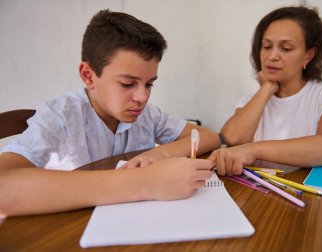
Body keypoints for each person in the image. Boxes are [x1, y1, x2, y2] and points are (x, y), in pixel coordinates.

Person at [0, 10, 220, 216]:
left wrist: (157, 154)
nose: (142, 97)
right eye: (127, 83)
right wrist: (143, 181)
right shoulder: (60, 115)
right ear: (88, 75)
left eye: (149, 84)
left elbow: (208, 136)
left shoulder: (147, 115)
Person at [209, 5, 322, 176]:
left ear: (308, 55)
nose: (272, 56)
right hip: (257, 191)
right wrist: (267, 88)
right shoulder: (252, 99)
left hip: (306, 192)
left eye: (286, 48)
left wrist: (254, 150)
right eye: (266, 46)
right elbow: (231, 139)